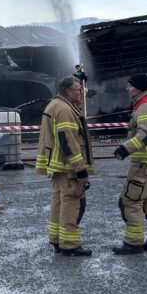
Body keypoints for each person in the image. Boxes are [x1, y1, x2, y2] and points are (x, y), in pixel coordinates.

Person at [36, 75, 94, 256]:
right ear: (68, 92)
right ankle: (70, 244)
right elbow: (68, 140)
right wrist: (80, 169)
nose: (81, 93)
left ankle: (57, 240)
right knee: (72, 203)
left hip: (58, 166)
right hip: (68, 167)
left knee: (59, 203)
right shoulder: (65, 110)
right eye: (78, 90)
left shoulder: (55, 105)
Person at [112, 73, 147, 254]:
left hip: (144, 165)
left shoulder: (145, 107)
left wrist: (125, 149)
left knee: (130, 201)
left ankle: (133, 243)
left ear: (138, 87)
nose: (127, 89)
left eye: (130, 86)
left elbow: (146, 133)